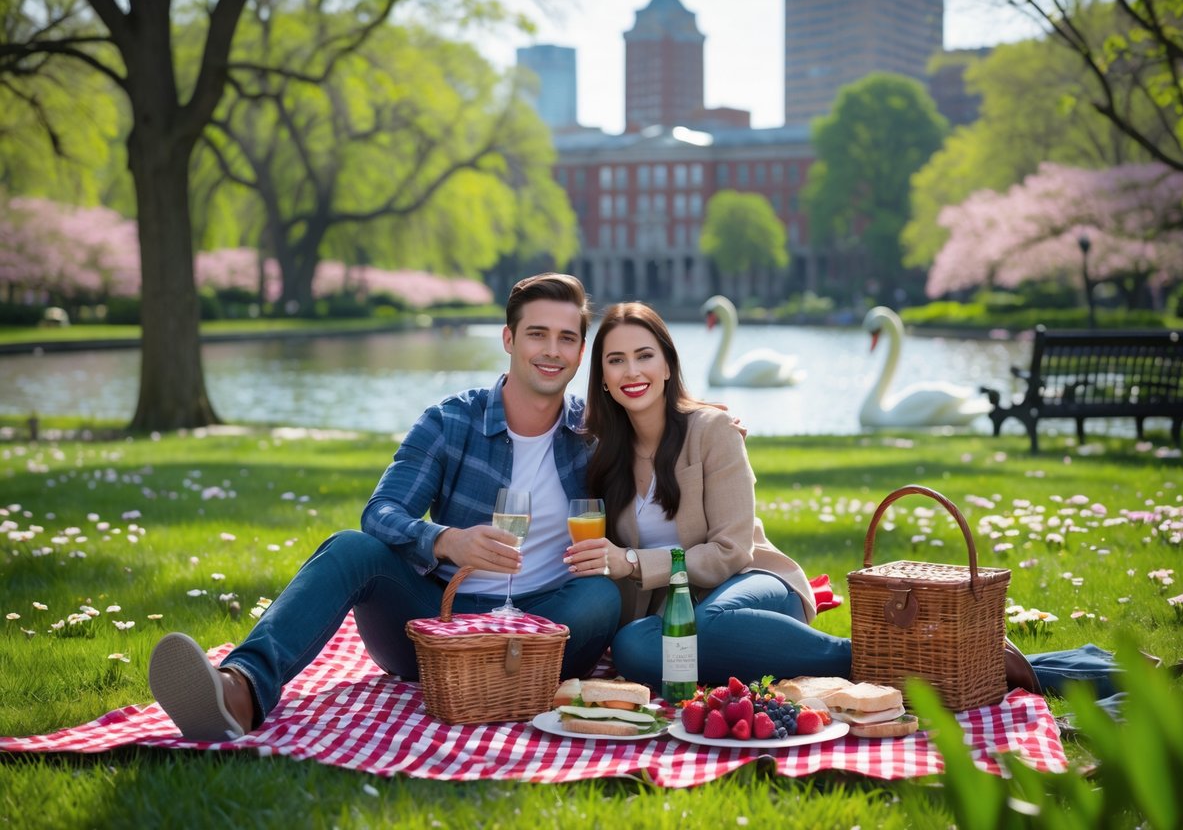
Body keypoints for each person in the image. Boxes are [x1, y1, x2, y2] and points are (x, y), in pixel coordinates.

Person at [568, 302, 1130, 698]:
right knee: (637, 651)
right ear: (603, 377)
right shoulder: (603, 454)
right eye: (616, 361)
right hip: (672, 612)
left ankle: (871, 659)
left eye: (644, 355)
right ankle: (890, 662)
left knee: (703, 631)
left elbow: (732, 551)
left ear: (667, 364)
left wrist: (636, 563)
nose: (632, 371)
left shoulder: (711, 431)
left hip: (750, 586)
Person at [149, 273, 621, 741]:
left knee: (600, 596)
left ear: (582, 352)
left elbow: (663, 427)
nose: (552, 351)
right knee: (352, 548)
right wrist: (446, 540)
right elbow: (381, 512)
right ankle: (240, 691)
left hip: (544, 626)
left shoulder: (593, 435)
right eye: (537, 334)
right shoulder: (450, 421)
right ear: (509, 338)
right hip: (437, 619)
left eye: (567, 338)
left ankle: (510, 680)